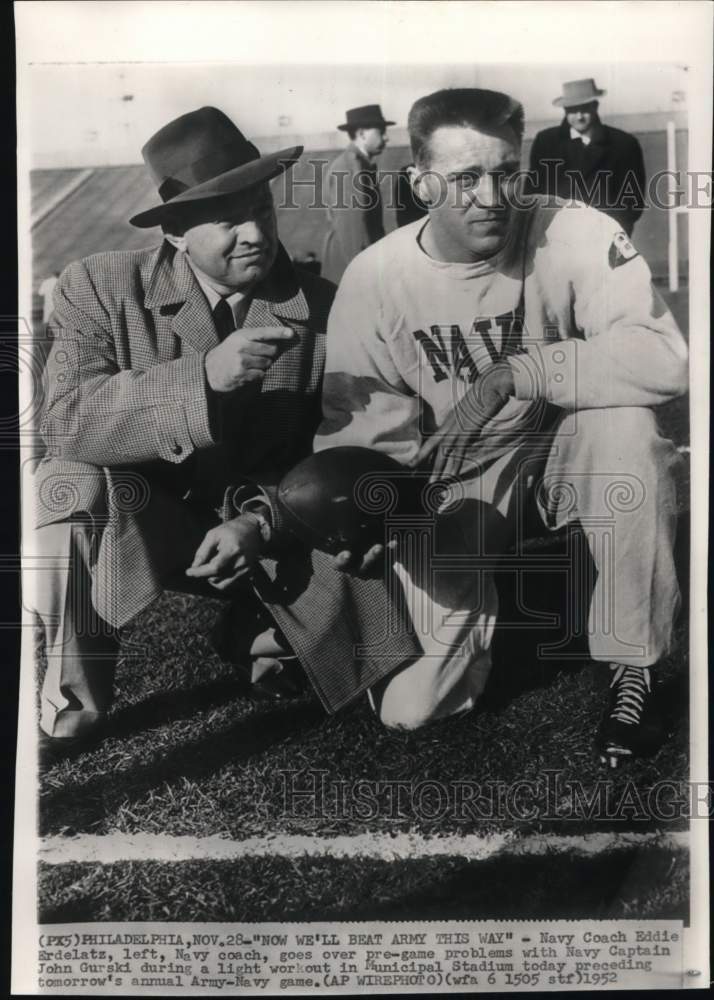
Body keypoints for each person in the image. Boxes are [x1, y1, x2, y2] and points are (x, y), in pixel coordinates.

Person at [31, 106, 419, 760]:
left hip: (270, 530)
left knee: (397, 662)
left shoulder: (324, 308)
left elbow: (346, 451)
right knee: (63, 485)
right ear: (177, 232)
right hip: (152, 523)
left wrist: (262, 522)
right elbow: (66, 421)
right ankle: (73, 708)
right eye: (228, 219)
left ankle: (255, 635)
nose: (254, 234)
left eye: (261, 211)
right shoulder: (96, 287)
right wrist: (202, 377)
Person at [315, 88, 687, 766]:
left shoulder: (574, 230)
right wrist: (376, 518)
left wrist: (517, 373)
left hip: (562, 445)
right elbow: (367, 436)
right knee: (413, 711)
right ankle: (533, 589)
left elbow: (664, 358)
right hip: (455, 479)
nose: (491, 196)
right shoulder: (376, 278)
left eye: (506, 171)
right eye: (465, 178)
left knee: (628, 430)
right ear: (422, 182)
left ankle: (633, 664)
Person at [529, 78, 646, 235]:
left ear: (595, 106)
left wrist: (613, 235)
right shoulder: (546, 142)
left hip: (605, 236)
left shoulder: (624, 144)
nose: (579, 117)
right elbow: (532, 195)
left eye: (584, 109)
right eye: (572, 110)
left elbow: (633, 202)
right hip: (557, 237)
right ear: (564, 110)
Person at [321, 104, 394, 283]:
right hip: (351, 267)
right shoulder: (350, 168)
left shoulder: (360, 165)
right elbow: (352, 229)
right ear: (362, 134)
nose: (386, 137)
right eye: (381, 131)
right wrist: (365, 276)